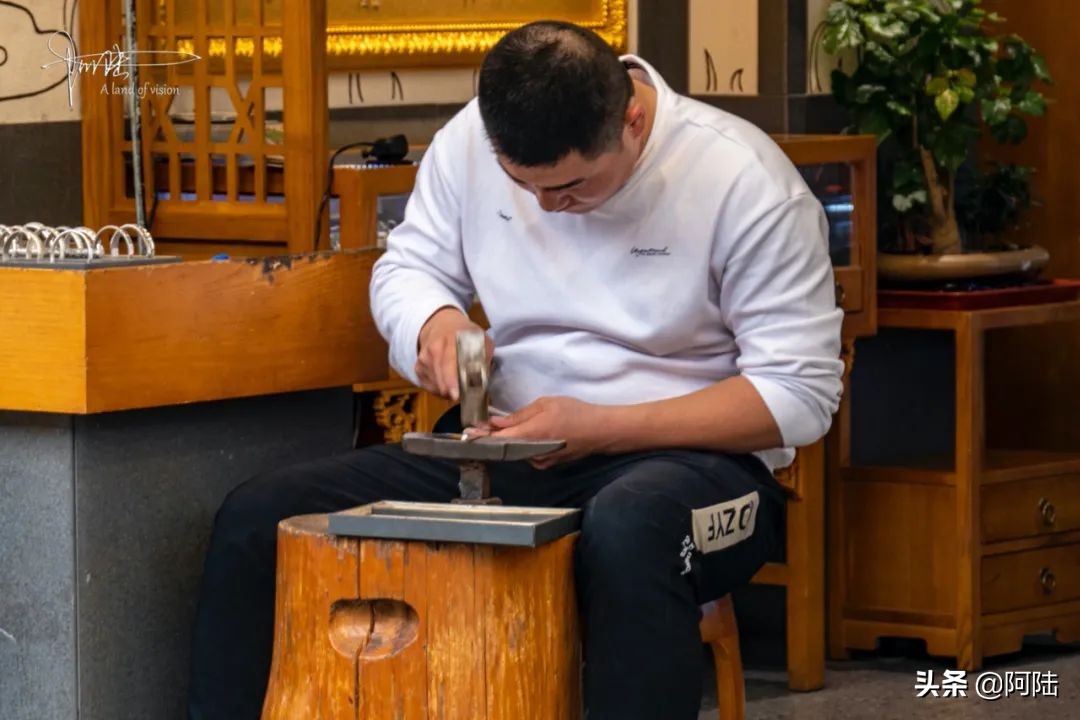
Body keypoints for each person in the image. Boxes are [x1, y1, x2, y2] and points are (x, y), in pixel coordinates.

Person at [187, 19, 843, 720]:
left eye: (571, 188)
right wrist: (435, 325)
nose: (545, 207)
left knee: (628, 529)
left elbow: (798, 397)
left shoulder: (744, 181)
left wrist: (603, 428)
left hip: (698, 465)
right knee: (260, 518)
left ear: (632, 118)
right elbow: (410, 268)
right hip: (506, 442)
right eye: (520, 185)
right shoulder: (473, 137)